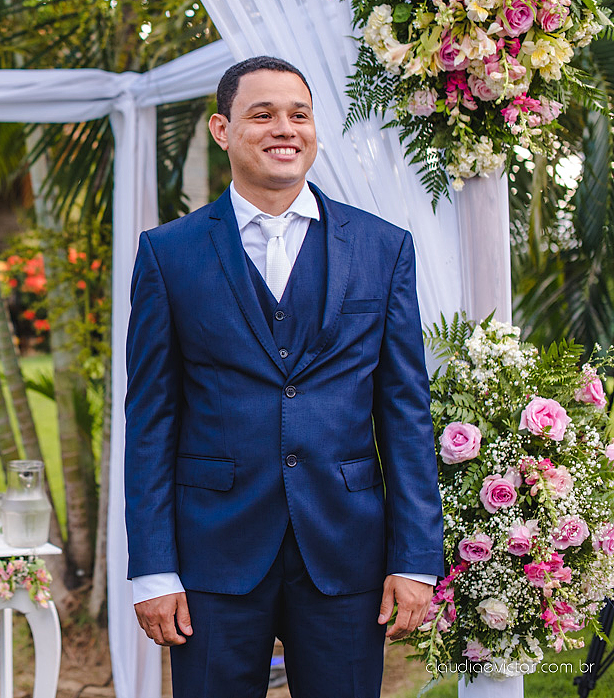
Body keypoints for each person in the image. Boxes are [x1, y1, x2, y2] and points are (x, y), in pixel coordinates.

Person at [123, 56, 443, 697]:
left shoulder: (384, 248)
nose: (284, 128)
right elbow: (151, 420)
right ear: (221, 129)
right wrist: (154, 570)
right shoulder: (169, 253)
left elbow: (404, 411)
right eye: (262, 114)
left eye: (299, 114)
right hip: (213, 552)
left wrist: (415, 558)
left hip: (345, 548)